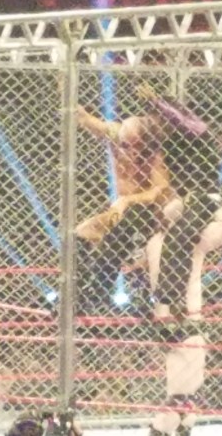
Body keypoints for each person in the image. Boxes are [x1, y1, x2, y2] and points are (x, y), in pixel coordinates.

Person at [131, 86, 222, 436]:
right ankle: (167, 425)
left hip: (169, 310)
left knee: (186, 367)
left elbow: (188, 124)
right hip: (181, 311)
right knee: (188, 367)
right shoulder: (181, 242)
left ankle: (177, 424)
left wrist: (158, 103)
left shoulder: (160, 240)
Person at [74, 105, 174, 312]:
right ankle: (79, 294)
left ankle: (107, 294)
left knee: (128, 228)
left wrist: (128, 200)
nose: (129, 151)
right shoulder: (115, 137)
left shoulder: (155, 156)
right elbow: (85, 118)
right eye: (125, 145)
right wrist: (67, 96)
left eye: (135, 146)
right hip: (121, 212)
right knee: (81, 233)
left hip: (148, 214)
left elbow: (158, 191)